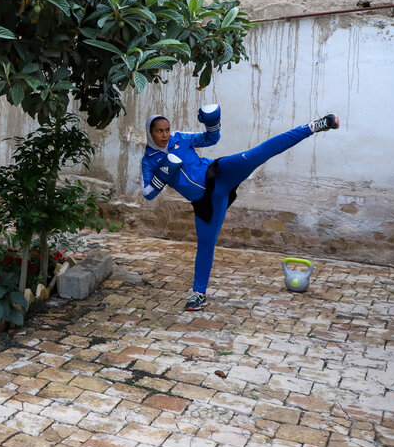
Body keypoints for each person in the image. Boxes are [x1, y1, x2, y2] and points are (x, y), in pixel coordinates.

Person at [140, 105, 340, 311]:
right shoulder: (148, 161)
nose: (165, 135)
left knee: (258, 154)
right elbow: (147, 193)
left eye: (166, 130)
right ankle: (198, 294)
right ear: (150, 133)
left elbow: (210, 139)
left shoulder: (179, 137)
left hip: (218, 174)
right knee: (206, 245)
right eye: (159, 131)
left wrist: (212, 123)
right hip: (207, 202)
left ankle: (314, 126)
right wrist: (160, 177)